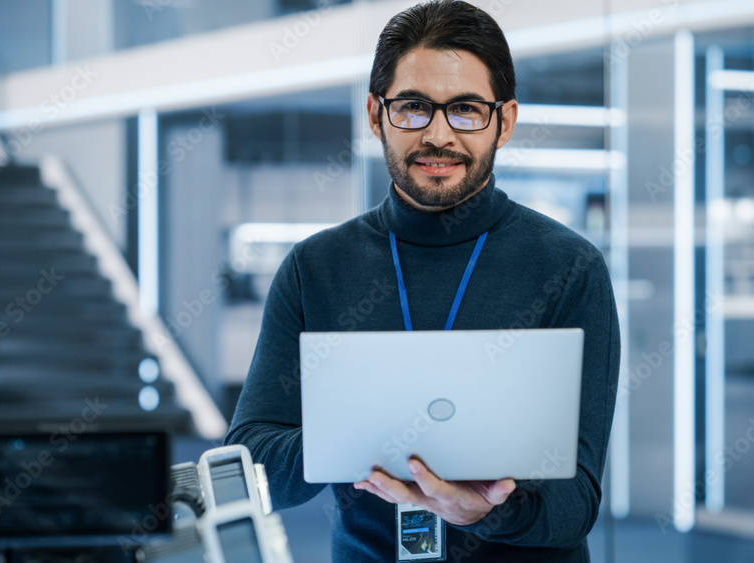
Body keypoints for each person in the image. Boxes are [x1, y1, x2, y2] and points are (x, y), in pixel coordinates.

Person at [224, 1, 621, 560]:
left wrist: (490, 510)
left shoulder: (569, 268)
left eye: (465, 109)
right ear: (375, 114)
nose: (438, 135)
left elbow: (577, 500)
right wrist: (360, 434)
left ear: (504, 121)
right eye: (412, 107)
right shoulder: (315, 267)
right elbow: (250, 462)